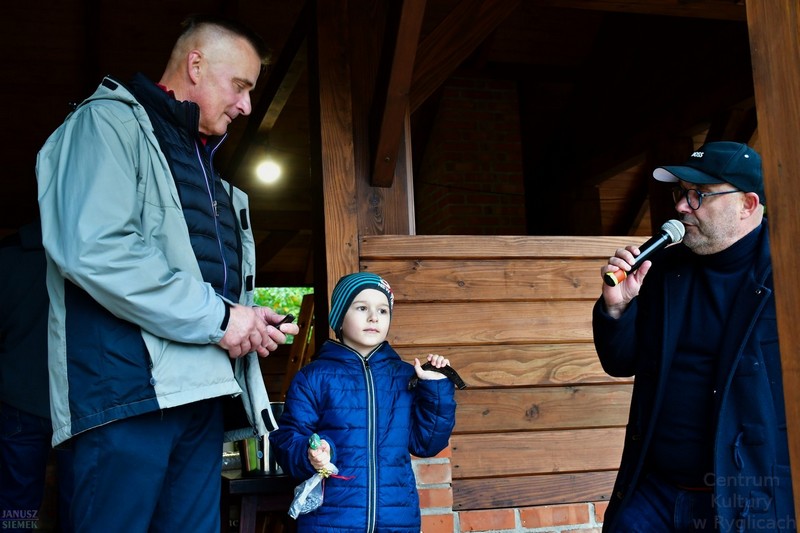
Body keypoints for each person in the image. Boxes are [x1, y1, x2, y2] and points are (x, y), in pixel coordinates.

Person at [35, 15, 299, 533]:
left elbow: (194, 279)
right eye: (240, 85)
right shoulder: (104, 123)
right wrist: (222, 318)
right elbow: (97, 248)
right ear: (195, 66)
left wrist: (246, 321)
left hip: (200, 395)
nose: (247, 105)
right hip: (126, 397)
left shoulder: (203, 164)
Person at [593, 141, 795, 532]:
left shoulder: (786, 273)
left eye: (699, 195)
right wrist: (617, 310)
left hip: (744, 500)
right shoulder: (664, 269)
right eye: (681, 193)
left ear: (748, 204)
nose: (683, 207)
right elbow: (620, 362)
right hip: (656, 491)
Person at [269, 272, 458, 532]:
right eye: (361, 308)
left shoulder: (405, 377)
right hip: (330, 522)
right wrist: (309, 453)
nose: (374, 317)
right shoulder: (314, 377)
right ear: (339, 317)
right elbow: (286, 440)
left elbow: (427, 444)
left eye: (383, 310)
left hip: (396, 520)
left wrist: (436, 389)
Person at [0, 219, 72, 532]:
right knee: (80, 500)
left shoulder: (7, 258)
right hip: (76, 401)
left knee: (17, 503)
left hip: (19, 398)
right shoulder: (89, 256)